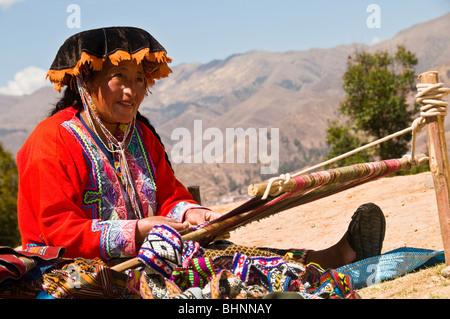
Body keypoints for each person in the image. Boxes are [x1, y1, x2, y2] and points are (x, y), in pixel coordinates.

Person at [17, 27, 385, 270]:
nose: (132, 91)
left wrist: (190, 212)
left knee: (223, 254)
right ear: (86, 80)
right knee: (214, 274)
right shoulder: (52, 140)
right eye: (119, 79)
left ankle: (328, 259)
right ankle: (325, 263)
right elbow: (57, 231)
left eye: (140, 80)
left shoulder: (139, 136)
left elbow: (167, 196)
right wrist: (139, 230)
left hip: (153, 253)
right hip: (79, 271)